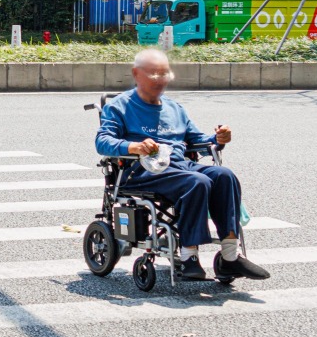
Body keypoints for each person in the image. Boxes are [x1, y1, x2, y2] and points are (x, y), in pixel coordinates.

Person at [94, 48, 270, 281]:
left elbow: (197, 140)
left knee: (224, 176)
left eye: (164, 74)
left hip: (179, 165)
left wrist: (217, 139)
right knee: (197, 182)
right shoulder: (119, 106)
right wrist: (133, 147)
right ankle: (189, 257)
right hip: (143, 170)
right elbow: (102, 141)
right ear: (136, 74)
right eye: (154, 74)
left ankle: (229, 257)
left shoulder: (174, 108)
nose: (161, 80)